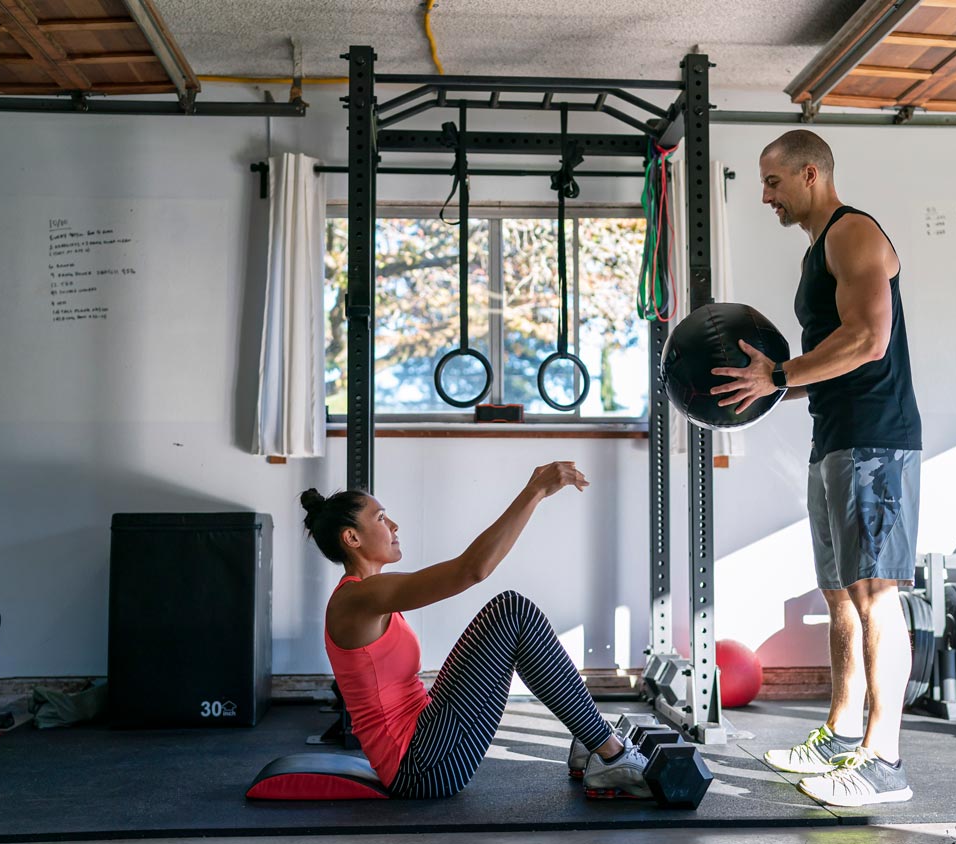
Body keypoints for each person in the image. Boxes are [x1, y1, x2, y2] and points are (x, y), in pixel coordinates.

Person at [710, 129, 922, 807]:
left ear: (809, 174)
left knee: (876, 594)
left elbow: (868, 338)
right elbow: (833, 356)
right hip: (834, 436)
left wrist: (780, 373)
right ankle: (837, 735)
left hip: (873, 440)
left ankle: (884, 757)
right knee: (838, 593)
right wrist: (774, 385)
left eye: (772, 183)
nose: (765, 196)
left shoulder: (852, 233)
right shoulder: (817, 249)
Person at [301, 461, 650, 799]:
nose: (393, 525)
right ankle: (613, 754)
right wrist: (534, 492)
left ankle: (594, 744)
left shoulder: (369, 596)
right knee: (512, 613)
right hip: (420, 769)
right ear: (352, 537)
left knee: (509, 614)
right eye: (380, 518)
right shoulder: (358, 598)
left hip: (428, 742)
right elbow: (472, 570)